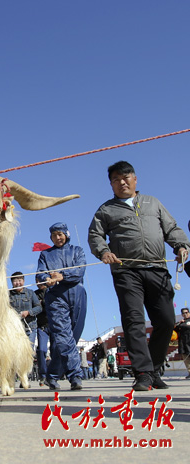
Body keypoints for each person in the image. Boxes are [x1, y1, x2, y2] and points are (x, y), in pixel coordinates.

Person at [88, 160, 189, 391]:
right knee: (133, 320)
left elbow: (171, 229)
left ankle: (153, 369)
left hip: (157, 269)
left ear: (135, 179)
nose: (121, 182)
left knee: (165, 321)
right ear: (111, 185)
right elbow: (95, 235)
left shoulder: (153, 203)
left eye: (125, 177)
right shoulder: (106, 210)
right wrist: (104, 251)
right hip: (126, 271)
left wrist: (181, 246)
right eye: (116, 180)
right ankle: (143, 373)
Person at [36, 222, 88, 391]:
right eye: (54, 235)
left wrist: (61, 275)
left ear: (66, 234)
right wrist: (45, 279)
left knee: (72, 336)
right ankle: (75, 375)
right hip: (56, 297)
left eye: (60, 234)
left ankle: (52, 376)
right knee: (63, 335)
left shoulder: (77, 251)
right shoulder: (45, 254)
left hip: (77, 293)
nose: (57, 238)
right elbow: (40, 273)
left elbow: (80, 270)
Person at [8, 272, 42, 347]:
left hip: (30, 327)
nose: (18, 283)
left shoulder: (30, 293)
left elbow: (39, 308)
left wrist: (28, 312)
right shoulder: (7, 294)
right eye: (15, 281)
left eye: (20, 280)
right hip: (14, 328)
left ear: (23, 281)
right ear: (12, 283)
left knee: (29, 351)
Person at [33, 282, 50, 386]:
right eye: (37, 281)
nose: (39, 283)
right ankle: (43, 374)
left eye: (41, 280)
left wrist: (42, 302)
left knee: (56, 349)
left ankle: (53, 374)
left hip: (54, 325)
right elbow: (35, 308)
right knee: (41, 350)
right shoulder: (34, 294)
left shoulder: (52, 291)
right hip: (41, 326)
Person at [174, 307, 190, 379]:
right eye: (183, 313)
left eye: (186, 312)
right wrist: (179, 323)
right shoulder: (181, 323)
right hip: (183, 343)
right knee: (186, 360)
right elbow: (174, 329)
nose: (185, 314)